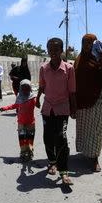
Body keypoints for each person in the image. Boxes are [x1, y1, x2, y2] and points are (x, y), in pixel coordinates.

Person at [36, 37, 76, 185]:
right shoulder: (43, 68)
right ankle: (52, 162)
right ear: (47, 50)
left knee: (61, 138)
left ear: (61, 51)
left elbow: (72, 92)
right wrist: (38, 98)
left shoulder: (69, 69)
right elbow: (42, 85)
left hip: (62, 109)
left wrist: (74, 108)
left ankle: (64, 171)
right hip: (48, 108)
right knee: (48, 137)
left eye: (56, 50)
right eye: (50, 50)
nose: (53, 52)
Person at [74, 34, 102, 172]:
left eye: (90, 43)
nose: (87, 45)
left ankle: (95, 158)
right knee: (84, 128)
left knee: (96, 129)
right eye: (84, 42)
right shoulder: (79, 60)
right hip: (82, 101)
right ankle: (86, 153)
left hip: (98, 99)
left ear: (94, 43)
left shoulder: (101, 57)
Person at [0, 79, 36, 161]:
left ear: (30, 88)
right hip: (21, 122)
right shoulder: (19, 97)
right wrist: (4, 108)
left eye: (27, 87)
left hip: (31, 122)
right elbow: (15, 105)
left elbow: (39, 105)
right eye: (24, 87)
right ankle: (23, 152)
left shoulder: (33, 98)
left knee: (30, 138)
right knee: (22, 138)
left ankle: (30, 152)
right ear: (21, 88)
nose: (25, 89)